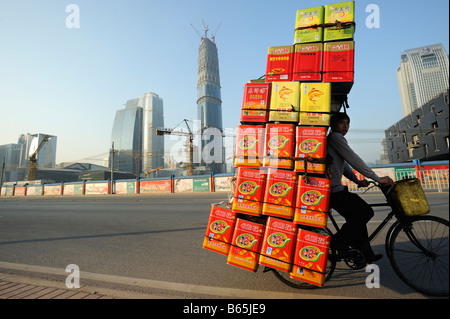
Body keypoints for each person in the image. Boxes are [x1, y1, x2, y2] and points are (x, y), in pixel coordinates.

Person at [327, 112, 394, 263]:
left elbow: (344, 166)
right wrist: (376, 178)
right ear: (333, 125)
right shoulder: (335, 137)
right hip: (333, 191)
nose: (346, 126)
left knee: (357, 218)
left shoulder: (334, 140)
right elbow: (353, 158)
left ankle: (363, 254)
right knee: (365, 212)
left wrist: (357, 180)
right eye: (342, 123)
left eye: (347, 123)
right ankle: (337, 242)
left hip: (335, 190)